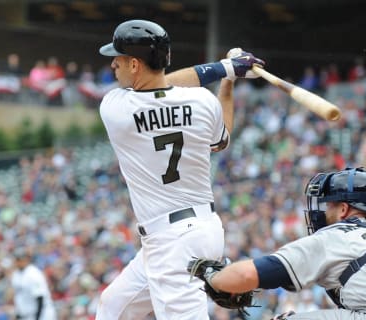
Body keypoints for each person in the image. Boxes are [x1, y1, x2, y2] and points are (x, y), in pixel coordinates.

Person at [95, 19, 264, 320]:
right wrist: (228, 79)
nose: (113, 66)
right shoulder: (201, 101)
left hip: (171, 241)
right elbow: (221, 138)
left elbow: (168, 85)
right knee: (113, 306)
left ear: (135, 64)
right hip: (203, 229)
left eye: (118, 59)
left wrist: (224, 68)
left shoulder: (116, 107)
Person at [190, 167, 366, 319]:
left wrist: (212, 275)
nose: (321, 212)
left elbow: (244, 276)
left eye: (327, 205)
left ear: (344, 209)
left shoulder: (341, 234)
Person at [10, 247, 57, 320]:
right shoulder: (16, 275)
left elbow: (40, 298)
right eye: (16, 259)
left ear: (26, 259)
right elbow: (19, 297)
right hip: (26, 315)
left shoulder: (33, 273)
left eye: (19, 259)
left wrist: (37, 318)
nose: (17, 262)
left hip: (43, 314)